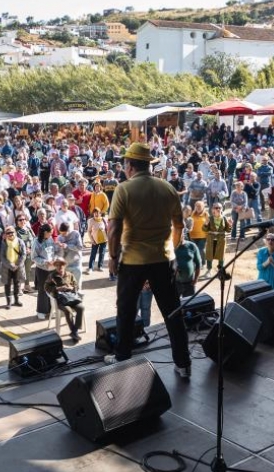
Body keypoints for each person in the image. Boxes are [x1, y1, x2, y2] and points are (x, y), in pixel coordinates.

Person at [106, 143, 190, 378]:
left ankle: (123, 359)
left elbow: (113, 229)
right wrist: (170, 249)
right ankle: (183, 364)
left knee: (126, 311)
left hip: (132, 260)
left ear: (130, 165)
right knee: (173, 312)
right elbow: (180, 226)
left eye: (125, 164)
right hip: (163, 259)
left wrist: (113, 257)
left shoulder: (124, 189)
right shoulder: (168, 188)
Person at [44, 257, 84, 343]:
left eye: (61, 265)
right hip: (61, 300)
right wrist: (57, 289)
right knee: (68, 311)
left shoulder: (69, 275)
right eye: (57, 265)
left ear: (64, 265)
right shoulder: (52, 276)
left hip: (71, 298)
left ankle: (74, 331)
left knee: (81, 308)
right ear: (55, 266)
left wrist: (70, 288)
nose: (60, 267)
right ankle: (75, 333)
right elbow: (46, 287)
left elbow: (76, 286)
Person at [32, 223, 56, 320]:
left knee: (51, 291)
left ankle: (50, 310)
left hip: (52, 269)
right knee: (42, 291)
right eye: (50, 232)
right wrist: (45, 262)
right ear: (45, 232)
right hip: (42, 270)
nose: (52, 234)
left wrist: (55, 260)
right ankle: (41, 311)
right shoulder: (36, 242)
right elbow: (33, 257)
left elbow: (52, 252)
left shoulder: (50, 239)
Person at [0, 225, 26, 308]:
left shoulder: (20, 241)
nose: (10, 234)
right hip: (7, 267)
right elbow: (2, 256)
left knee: (17, 284)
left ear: (15, 232)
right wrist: (10, 265)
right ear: (5, 234)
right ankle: (8, 302)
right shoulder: (4, 242)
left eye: (12, 232)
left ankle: (17, 300)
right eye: (8, 233)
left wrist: (17, 265)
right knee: (7, 285)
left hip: (18, 267)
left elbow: (23, 254)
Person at [202, 204, 230, 279]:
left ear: (222, 209)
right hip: (211, 239)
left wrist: (230, 225)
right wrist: (205, 224)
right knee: (209, 255)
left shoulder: (224, 218)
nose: (218, 209)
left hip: (221, 240)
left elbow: (228, 230)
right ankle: (208, 271)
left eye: (219, 208)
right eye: (216, 207)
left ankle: (220, 271)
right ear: (212, 209)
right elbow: (204, 230)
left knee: (221, 256)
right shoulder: (210, 218)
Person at [174, 231, 201, 298]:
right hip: (175, 283)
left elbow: (198, 263)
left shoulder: (192, 246)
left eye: (180, 235)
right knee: (175, 306)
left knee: (189, 305)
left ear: (183, 235)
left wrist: (195, 279)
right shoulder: (170, 247)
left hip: (189, 282)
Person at [85, 208, 108, 274]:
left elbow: (107, 229)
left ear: (100, 213)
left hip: (104, 240)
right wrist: (92, 240)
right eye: (95, 213)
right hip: (95, 241)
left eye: (98, 213)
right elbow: (89, 231)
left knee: (102, 253)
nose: (96, 214)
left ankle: (100, 266)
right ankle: (90, 268)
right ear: (93, 213)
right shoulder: (90, 221)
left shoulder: (103, 219)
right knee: (93, 254)